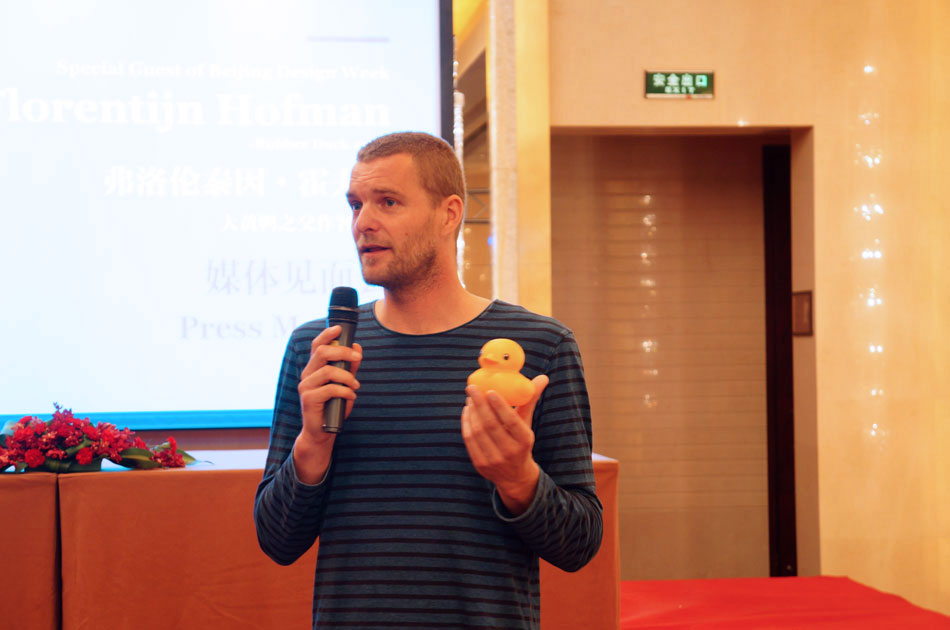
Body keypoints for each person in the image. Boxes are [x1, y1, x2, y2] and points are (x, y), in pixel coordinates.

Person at [254, 131, 602, 630]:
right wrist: (311, 444)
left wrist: (517, 478)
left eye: (388, 202)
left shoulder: (540, 346)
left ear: (449, 214)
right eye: (355, 205)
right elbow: (277, 541)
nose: (363, 223)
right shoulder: (323, 351)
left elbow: (580, 544)